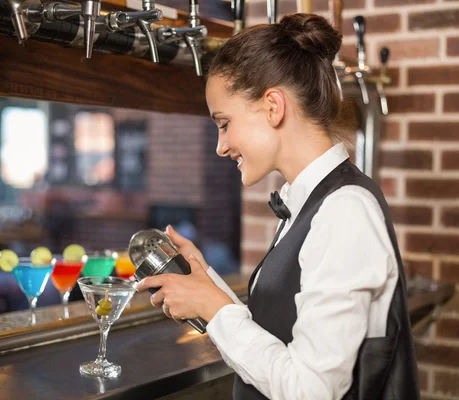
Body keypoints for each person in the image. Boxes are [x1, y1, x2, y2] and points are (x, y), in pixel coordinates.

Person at [135, 13, 419, 400]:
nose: (220, 147)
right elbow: (282, 340)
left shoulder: (345, 211)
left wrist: (217, 310)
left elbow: (312, 390)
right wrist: (208, 285)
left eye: (223, 123)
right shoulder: (312, 204)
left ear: (272, 106)